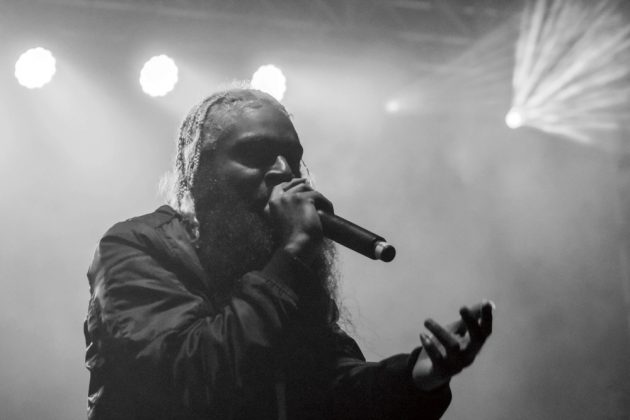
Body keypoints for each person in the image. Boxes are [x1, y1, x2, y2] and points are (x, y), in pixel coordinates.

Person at [84, 88, 493, 420]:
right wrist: (292, 253)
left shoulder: (272, 264)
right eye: (255, 154)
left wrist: (418, 375)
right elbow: (190, 379)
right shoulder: (137, 246)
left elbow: (328, 389)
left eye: (292, 158)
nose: (284, 170)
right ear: (196, 170)